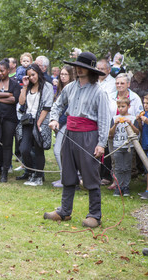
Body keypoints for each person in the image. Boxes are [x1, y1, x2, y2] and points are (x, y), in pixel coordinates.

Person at [44, 51, 110, 228]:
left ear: (90, 70)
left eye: (83, 67)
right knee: (68, 173)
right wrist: (54, 118)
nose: (79, 69)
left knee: (90, 175)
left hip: (89, 136)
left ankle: (95, 215)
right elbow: (57, 104)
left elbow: (104, 119)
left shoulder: (99, 92)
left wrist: (101, 144)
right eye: (77, 66)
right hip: (69, 134)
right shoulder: (70, 87)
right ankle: (64, 212)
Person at [17, 63, 53, 186]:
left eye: (33, 75)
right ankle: (32, 172)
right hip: (28, 121)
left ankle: (38, 176)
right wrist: (24, 86)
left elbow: (47, 107)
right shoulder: (28, 88)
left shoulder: (47, 86)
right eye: (29, 76)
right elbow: (21, 102)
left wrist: (39, 123)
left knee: (38, 149)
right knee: (24, 149)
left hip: (40, 121)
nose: (32, 77)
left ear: (38, 73)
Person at [51, 65, 75, 188]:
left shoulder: (73, 89)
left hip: (67, 123)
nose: (63, 76)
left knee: (58, 150)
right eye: (61, 74)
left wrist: (59, 123)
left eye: (66, 74)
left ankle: (66, 178)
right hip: (58, 123)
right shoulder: (60, 89)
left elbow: (68, 110)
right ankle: (63, 177)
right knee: (61, 152)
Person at [109, 97, 138, 197]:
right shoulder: (114, 118)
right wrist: (115, 125)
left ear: (128, 106)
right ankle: (118, 187)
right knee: (118, 167)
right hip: (117, 145)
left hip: (129, 146)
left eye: (123, 106)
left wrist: (130, 124)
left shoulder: (133, 118)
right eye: (119, 107)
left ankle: (126, 186)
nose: (121, 109)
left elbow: (137, 132)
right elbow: (110, 134)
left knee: (127, 167)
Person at [137, 95, 148, 200]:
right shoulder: (145, 114)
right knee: (146, 168)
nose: (145, 105)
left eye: (147, 103)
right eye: (144, 103)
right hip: (145, 143)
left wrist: (146, 120)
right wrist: (140, 122)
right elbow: (141, 129)